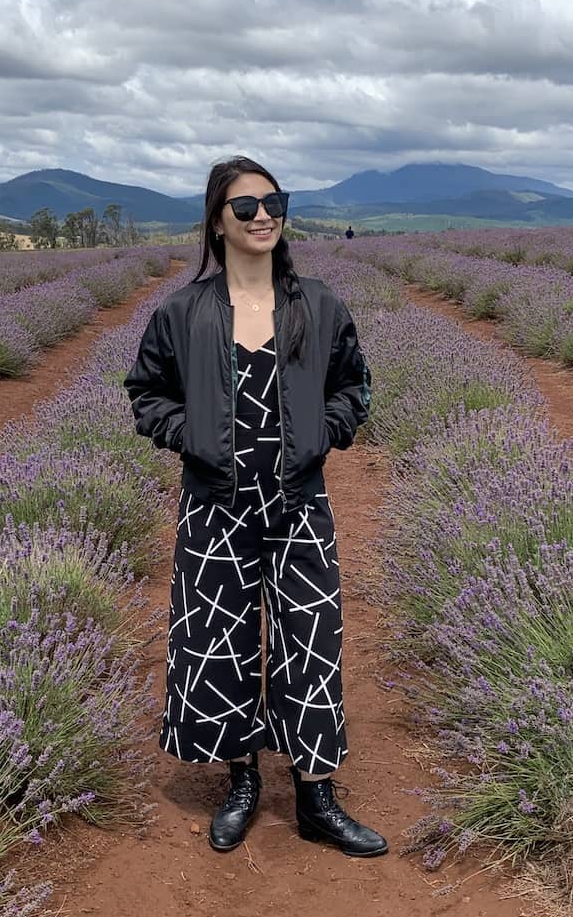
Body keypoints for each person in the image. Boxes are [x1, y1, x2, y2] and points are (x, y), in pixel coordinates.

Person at [125, 156, 387, 858]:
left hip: (300, 502)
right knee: (222, 646)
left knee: (311, 643)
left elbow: (355, 386)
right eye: (245, 207)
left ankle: (314, 797)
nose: (263, 215)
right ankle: (240, 782)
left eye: (274, 202)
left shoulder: (319, 305)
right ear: (217, 221)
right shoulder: (182, 313)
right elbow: (146, 394)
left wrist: (325, 434)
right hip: (216, 506)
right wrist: (194, 439)